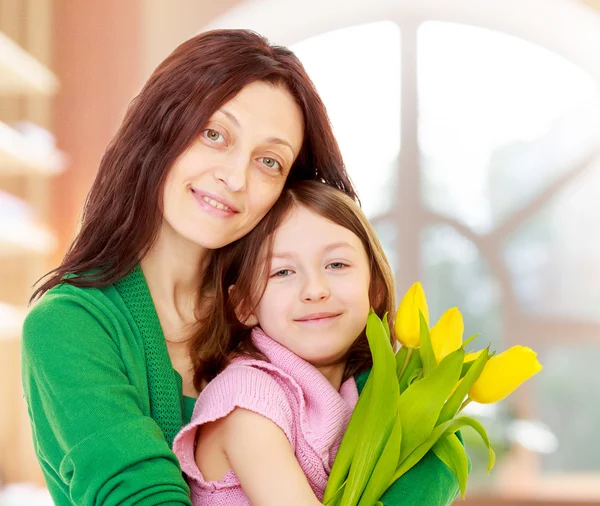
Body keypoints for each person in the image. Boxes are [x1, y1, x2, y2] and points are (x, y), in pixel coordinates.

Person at [21, 29, 459, 506]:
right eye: (214, 135)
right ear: (159, 128)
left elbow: (430, 442)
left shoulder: (281, 309)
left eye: (269, 161)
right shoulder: (69, 326)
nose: (234, 177)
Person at [173, 180, 395, 505]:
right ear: (245, 304)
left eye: (336, 264)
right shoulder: (248, 401)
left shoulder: (359, 394)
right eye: (282, 272)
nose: (315, 289)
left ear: (374, 289)